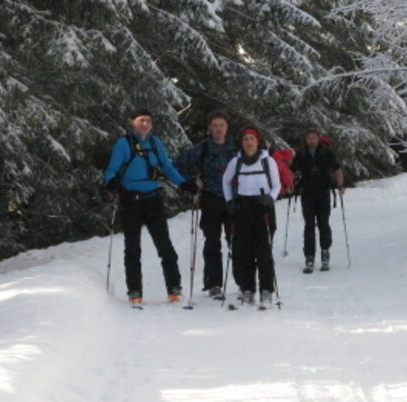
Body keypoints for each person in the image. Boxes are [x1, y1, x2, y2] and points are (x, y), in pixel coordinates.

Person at [103, 108, 199, 306]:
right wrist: (112, 183)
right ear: (132, 122)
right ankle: (135, 291)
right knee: (132, 248)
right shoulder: (124, 144)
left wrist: (183, 183)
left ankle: (174, 288)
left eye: (148, 120)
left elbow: (167, 167)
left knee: (164, 244)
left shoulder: (155, 143)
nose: (145, 124)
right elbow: (111, 169)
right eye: (141, 120)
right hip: (130, 201)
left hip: (152, 198)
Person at [174, 110, 238, 299]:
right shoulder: (202, 148)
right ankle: (214, 284)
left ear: (227, 128)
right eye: (215, 125)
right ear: (209, 128)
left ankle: (244, 282)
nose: (218, 129)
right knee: (212, 242)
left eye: (222, 125)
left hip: (233, 199)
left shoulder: (236, 147)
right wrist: (193, 181)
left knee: (236, 241)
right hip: (211, 198)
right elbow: (177, 164)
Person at [222, 127, 281, 307]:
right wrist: (229, 201)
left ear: (258, 141)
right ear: (242, 142)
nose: (249, 142)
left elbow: (277, 185)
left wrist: (270, 198)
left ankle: (266, 291)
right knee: (243, 251)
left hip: (262, 207)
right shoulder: (236, 162)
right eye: (246, 139)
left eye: (252, 139)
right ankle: (248, 289)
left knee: (263, 250)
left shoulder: (267, 161)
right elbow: (225, 181)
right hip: (242, 208)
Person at [289, 128, 344, 273]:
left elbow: (337, 168)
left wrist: (340, 185)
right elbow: (292, 170)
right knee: (309, 225)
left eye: (313, 137)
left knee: (323, 223)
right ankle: (309, 256)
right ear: (306, 140)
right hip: (307, 194)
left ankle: (325, 251)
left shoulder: (326, 152)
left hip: (323, 192)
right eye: (309, 138)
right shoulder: (301, 154)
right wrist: (289, 184)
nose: (311, 140)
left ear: (318, 139)